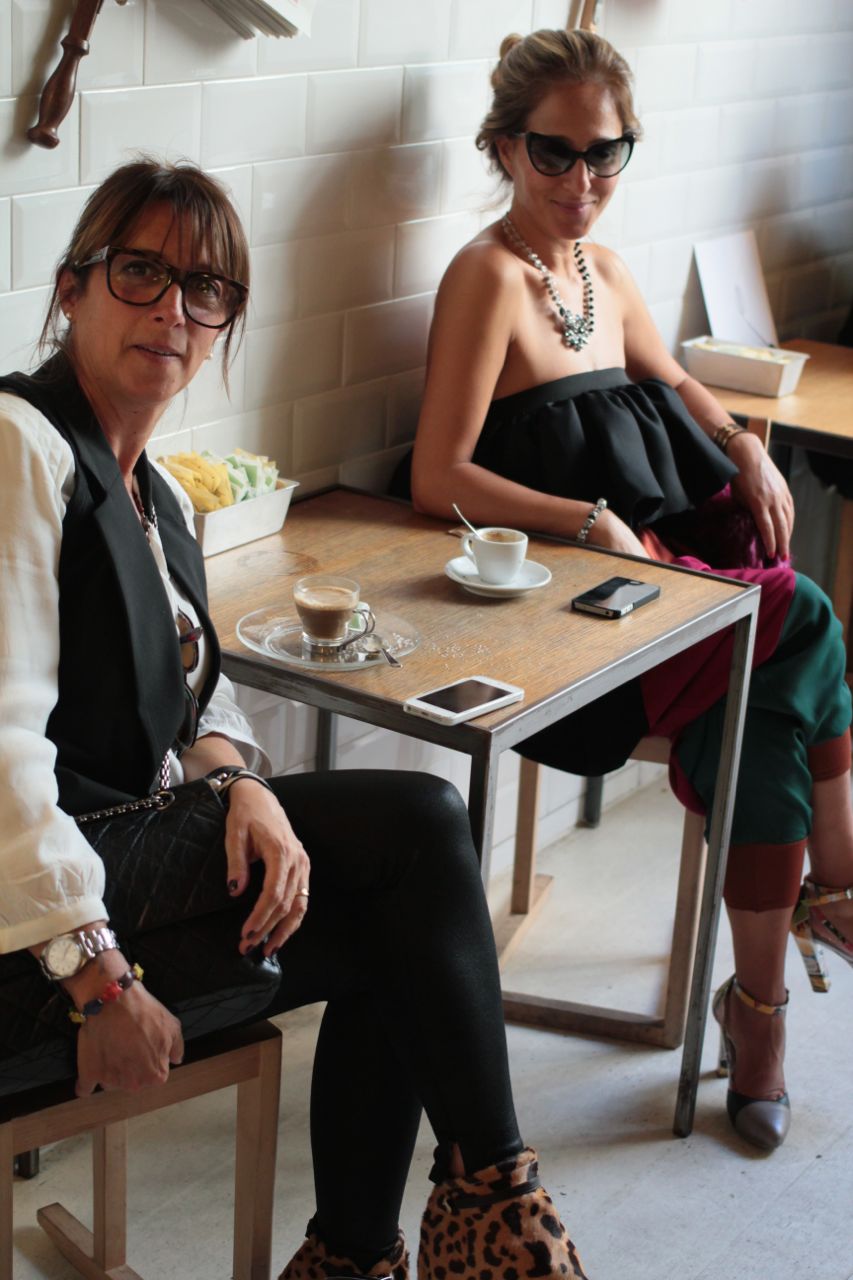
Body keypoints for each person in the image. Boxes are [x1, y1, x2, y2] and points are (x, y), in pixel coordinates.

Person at [0, 158, 590, 1280]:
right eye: (140, 272)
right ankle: (503, 1222)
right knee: (420, 823)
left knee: (393, 933)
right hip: (27, 929)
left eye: (205, 288)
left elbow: (193, 692)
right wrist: (100, 981)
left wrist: (239, 782)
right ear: (72, 287)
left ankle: (358, 1256)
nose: (174, 310)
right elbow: (0, 751)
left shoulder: (156, 492)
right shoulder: (17, 446)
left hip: (111, 864)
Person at [408, 27, 853, 1154]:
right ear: (504, 148)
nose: (582, 180)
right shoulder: (485, 277)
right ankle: (834, 893)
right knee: (801, 617)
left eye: (605, 153)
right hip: (573, 619)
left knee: (759, 713)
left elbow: (669, 379)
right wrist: (586, 520)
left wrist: (741, 444)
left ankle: (759, 1017)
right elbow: (436, 475)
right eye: (553, 153)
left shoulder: (600, 270)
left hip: (658, 575)